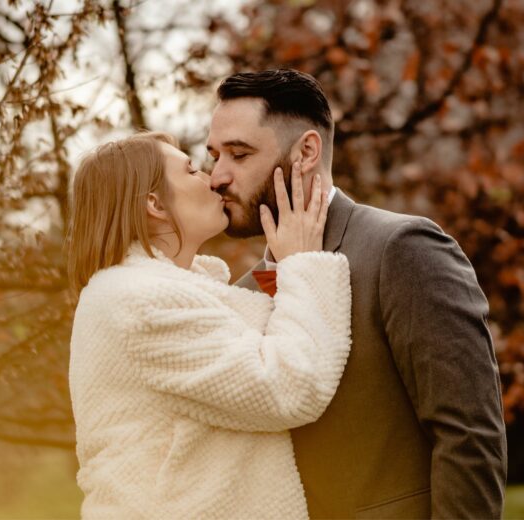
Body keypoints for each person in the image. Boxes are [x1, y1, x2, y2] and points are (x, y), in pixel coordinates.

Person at [207, 69, 508, 519]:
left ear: (307, 151)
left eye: (239, 154)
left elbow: (469, 437)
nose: (217, 177)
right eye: (213, 155)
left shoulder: (402, 249)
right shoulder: (243, 292)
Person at [66, 131, 352, 519]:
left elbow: (258, 339)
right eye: (191, 170)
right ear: (154, 203)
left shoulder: (150, 292)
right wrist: (303, 264)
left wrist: (284, 268)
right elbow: (289, 386)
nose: (213, 179)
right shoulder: (140, 302)